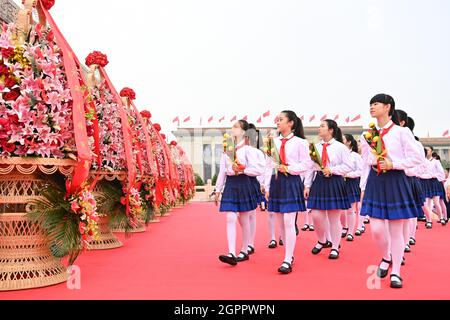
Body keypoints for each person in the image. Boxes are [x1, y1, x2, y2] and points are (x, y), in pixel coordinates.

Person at [360, 94, 423, 289]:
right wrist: (364, 185)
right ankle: (386, 257)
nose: (372, 107)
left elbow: (417, 158)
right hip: (376, 181)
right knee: (377, 230)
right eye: (371, 104)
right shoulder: (367, 134)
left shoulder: (402, 132)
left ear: (388, 107)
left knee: (396, 230)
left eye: (376, 104)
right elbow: (365, 160)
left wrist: (393, 163)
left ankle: (396, 271)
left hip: (396, 180)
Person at [266, 110, 313, 274]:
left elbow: (307, 164)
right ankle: (288, 254)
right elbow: (269, 165)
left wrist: (289, 168)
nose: (277, 122)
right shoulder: (273, 142)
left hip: (292, 181)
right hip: (277, 182)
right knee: (281, 223)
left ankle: (287, 258)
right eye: (277, 120)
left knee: (288, 221)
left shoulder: (300, 142)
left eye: (281, 120)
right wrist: (266, 186)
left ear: (291, 123)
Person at [215, 120, 265, 266]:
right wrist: (218, 190)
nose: (232, 129)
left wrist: (243, 169)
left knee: (244, 219)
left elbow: (258, 170)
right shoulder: (227, 149)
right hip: (231, 184)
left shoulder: (249, 150)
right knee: (230, 217)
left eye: (236, 127)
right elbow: (222, 171)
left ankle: (244, 249)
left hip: (244, 183)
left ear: (244, 132)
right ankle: (231, 252)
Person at [307, 119, 352, 260]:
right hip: (319, 181)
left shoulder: (340, 147)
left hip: (334, 181)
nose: (319, 129)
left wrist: (332, 170)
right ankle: (322, 240)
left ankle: (334, 246)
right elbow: (310, 167)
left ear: (331, 130)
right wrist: (307, 185)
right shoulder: (315, 147)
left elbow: (348, 166)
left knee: (334, 218)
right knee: (316, 215)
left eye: (322, 126)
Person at [342, 134, 363, 242]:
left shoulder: (355, 156)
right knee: (340, 210)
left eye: (343, 139)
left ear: (349, 142)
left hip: (351, 183)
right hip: (340, 183)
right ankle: (344, 227)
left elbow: (360, 171)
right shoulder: (339, 153)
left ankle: (350, 232)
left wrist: (348, 174)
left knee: (351, 210)